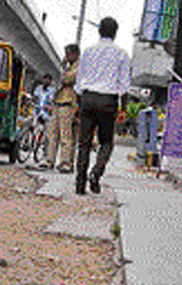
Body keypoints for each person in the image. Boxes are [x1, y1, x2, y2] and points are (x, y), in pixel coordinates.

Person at [74, 16, 131, 194]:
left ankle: (80, 183)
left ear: (99, 31)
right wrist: (124, 107)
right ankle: (96, 173)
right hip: (108, 101)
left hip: (88, 98)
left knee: (84, 143)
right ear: (115, 33)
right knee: (106, 142)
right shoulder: (122, 54)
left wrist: (79, 103)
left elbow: (79, 80)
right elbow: (124, 85)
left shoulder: (88, 51)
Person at [43, 44, 80, 173]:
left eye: (68, 54)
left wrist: (63, 68)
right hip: (58, 102)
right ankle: (49, 160)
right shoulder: (68, 67)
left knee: (65, 136)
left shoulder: (78, 67)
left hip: (68, 103)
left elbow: (67, 79)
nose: (66, 57)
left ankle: (65, 163)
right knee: (52, 134)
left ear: (75, 54)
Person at [33, 73, 56, 167]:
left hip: (47, 115)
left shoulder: (52, 91)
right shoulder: (38, 88)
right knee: (27, 124)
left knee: (47, 136)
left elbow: (53, 101)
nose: (46, 81)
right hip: (37, 112)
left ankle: (45, 155)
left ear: (50, 81)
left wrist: (50, 107)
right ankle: (26, 142)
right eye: (45, 79)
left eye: (48, 79)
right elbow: (34, 97)